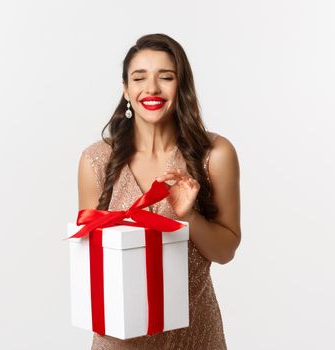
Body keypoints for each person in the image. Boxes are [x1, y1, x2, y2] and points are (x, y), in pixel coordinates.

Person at [77, 33, 241, 350]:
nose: (152, 88)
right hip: (119, 341)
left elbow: (225, 252)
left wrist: (188, 216)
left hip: (194, 336)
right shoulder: (96, 161)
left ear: (182, 86)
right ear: (126, 89)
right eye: (140, 78)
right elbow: (90, 265)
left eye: (165, 77)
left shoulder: (214, 155)